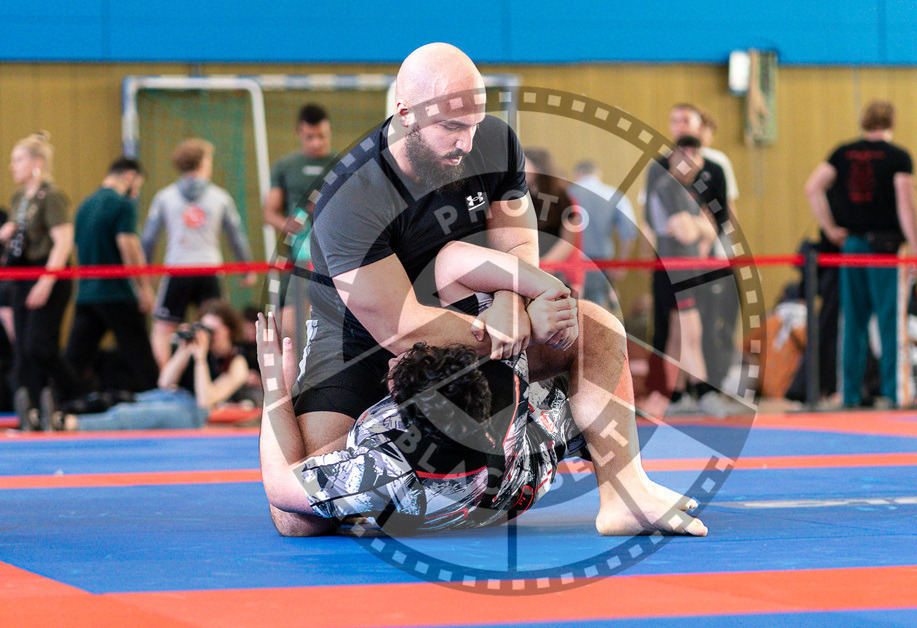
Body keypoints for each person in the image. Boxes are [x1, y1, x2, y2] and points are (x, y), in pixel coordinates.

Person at [272, 42, 706, 538]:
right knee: (299, 519)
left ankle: (625, 494)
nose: (467, 141)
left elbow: (518, 242)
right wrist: (499, 331)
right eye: (452, 127)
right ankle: (319, 420)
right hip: (357, 336)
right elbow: (399, 329)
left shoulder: (493, 142)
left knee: (596, 329)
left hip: (461, 302)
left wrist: (512, 308)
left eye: (475, 122)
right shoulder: (351, 194)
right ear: (405, 113)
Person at [260, 237, 698, 534]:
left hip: (429, 493)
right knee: (596, 327)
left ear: (393, 410)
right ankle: (625, 489)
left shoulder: (382, 470)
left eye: (401, 364)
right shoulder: (526, 417)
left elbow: (281, 486)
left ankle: (625, 487)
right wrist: (528, 304)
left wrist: (272, 391)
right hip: (511, 481)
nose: (394, 355)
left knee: (295, 519)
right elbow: (456, 263)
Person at [805, 100, 917, 408]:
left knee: (853, 321)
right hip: (884, 248)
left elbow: (812, 187)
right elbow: (905, 203)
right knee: (890, 322)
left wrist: (830, 228)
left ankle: (850, 393)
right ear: (891, 122)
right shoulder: (898, 157)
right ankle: (896, 393)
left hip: (852, 245)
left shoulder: (842, 153)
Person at [643, 104, 737, 405]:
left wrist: (700, 227)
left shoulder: (696, 183)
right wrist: (700, 225)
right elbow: (687, 229)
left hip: (695, 266)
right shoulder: (666, 185)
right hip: (675, 267)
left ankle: (677, 392)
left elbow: (715, 225)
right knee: (688, 331)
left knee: (681, 332)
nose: (693, 161)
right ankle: (701, 392)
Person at [46, 299, 248, 431]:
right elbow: (165, 382)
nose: (209, 336)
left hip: (196, 414)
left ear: (229, 331)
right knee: (120, 399)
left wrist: (200, 359)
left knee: (131, 415)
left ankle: (69, 424)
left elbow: (205, 402)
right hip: (173, 397)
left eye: (214, 331)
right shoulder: (197, 350)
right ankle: (57, 412)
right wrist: (185, 350)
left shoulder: (236, 363)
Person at [142, 138, 254, 368]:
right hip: (209, 270)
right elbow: (236, 236)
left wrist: (145, 271)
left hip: (177, 269)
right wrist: (246, 268)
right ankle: (219, 374)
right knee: (220, 327)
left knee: (163, 328)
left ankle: (166, 381)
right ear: (203, 163)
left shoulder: (164, 197)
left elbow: (149, 238)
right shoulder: (221, 198)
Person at [63, 156, 159, 398]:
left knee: (75, 358)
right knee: (140, 354)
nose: (136, 192)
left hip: (86, 294)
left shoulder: (84, 205)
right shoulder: (122, 204)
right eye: (137, 185)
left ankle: (58, 399)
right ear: (129, 176)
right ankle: (158, 403)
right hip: (116, 292)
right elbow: (129, 246)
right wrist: (145, 288)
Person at [0, 132, 77, 431]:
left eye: (18, 159)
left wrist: (47, 281)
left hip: (49, 273)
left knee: (39, 347)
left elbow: (63, 242)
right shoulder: (19, 198)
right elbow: (21, 234)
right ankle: (30, 406)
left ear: (37, 163)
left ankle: (73, 394)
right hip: (22, 276)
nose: (12, 166)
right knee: (22, 349)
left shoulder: (52, 196)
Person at [262, 103, 333, 348]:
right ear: (299, 134)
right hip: (296, 259)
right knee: (288, 326)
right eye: (309, 137)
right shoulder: (285, 166)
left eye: (321, 136)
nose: (316, 142)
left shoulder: (342, 164)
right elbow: (269, 213)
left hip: (331, 259)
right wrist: (288, 224)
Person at [567, 160, 638, 310]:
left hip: (568, 262)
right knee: (596, 310)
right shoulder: (614, 195)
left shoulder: (566, 193)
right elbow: (629, 233)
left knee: (568, 310)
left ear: (578, 174)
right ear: (598, 174)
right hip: (601, 263)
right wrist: (621, 264)